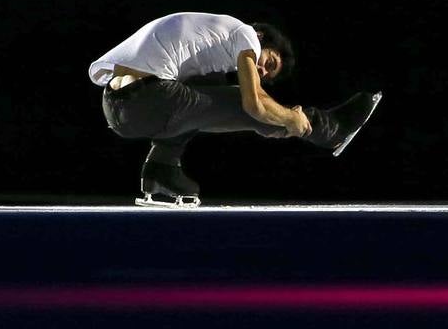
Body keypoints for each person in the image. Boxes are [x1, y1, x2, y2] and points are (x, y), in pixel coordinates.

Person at [90, 12, 382, 206]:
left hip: (116, 107)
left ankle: (161, 170)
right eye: (270, 63)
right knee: (240, 99)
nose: (264, 72)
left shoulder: (209, 35)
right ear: (262, 40)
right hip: (150, 101)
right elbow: (253, 103)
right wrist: (291, 119)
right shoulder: (246, 35)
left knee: (208, 89)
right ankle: (329, 129)